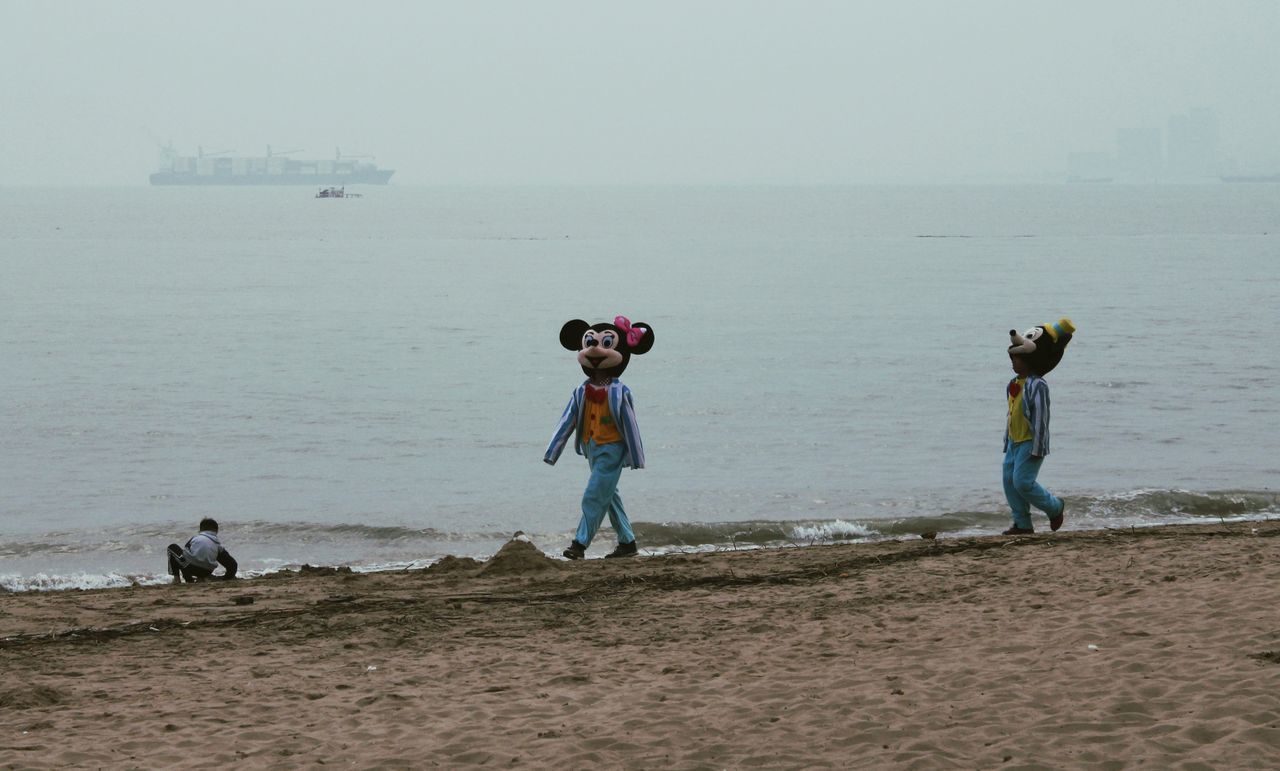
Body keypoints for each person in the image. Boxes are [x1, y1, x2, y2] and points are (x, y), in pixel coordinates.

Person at [545, 316, 655, 560]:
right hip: (591, 448)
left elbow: (630, 424)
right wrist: (553, 451)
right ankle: (627, 542)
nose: (595, 349)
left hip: (612, 449)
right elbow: (568, 420)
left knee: (594, 494)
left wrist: (637, 457)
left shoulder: (620, 391)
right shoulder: (580, 391)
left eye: (606, 343)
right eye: (591, 342)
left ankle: (580, 543)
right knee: (609, 495)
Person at [1003, 318, 1076, 535]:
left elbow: (1041, 417)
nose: (1014, 362)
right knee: (1009, 483)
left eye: (1018, 359)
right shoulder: (1013, 384)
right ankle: (1022, 524)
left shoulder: (1038, 385)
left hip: (1031, 442)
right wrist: (1007, 440)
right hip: (1015, 442)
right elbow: (1011, 414)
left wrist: (1039, 446)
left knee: (1023, 482)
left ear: (1032, 360)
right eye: (1013, 358)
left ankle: (1055, 507)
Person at [167, 518, 238, 583]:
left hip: (191, 568)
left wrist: (187, 578)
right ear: (216, 531)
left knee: (172, 548)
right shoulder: (217, 545)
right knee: (210, 555)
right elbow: (232, 565)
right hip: (206, 572)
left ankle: (176, 578)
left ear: (200, 529)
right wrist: (227, 578)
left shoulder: (196, 538)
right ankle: (200, 578)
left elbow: (185, 557)